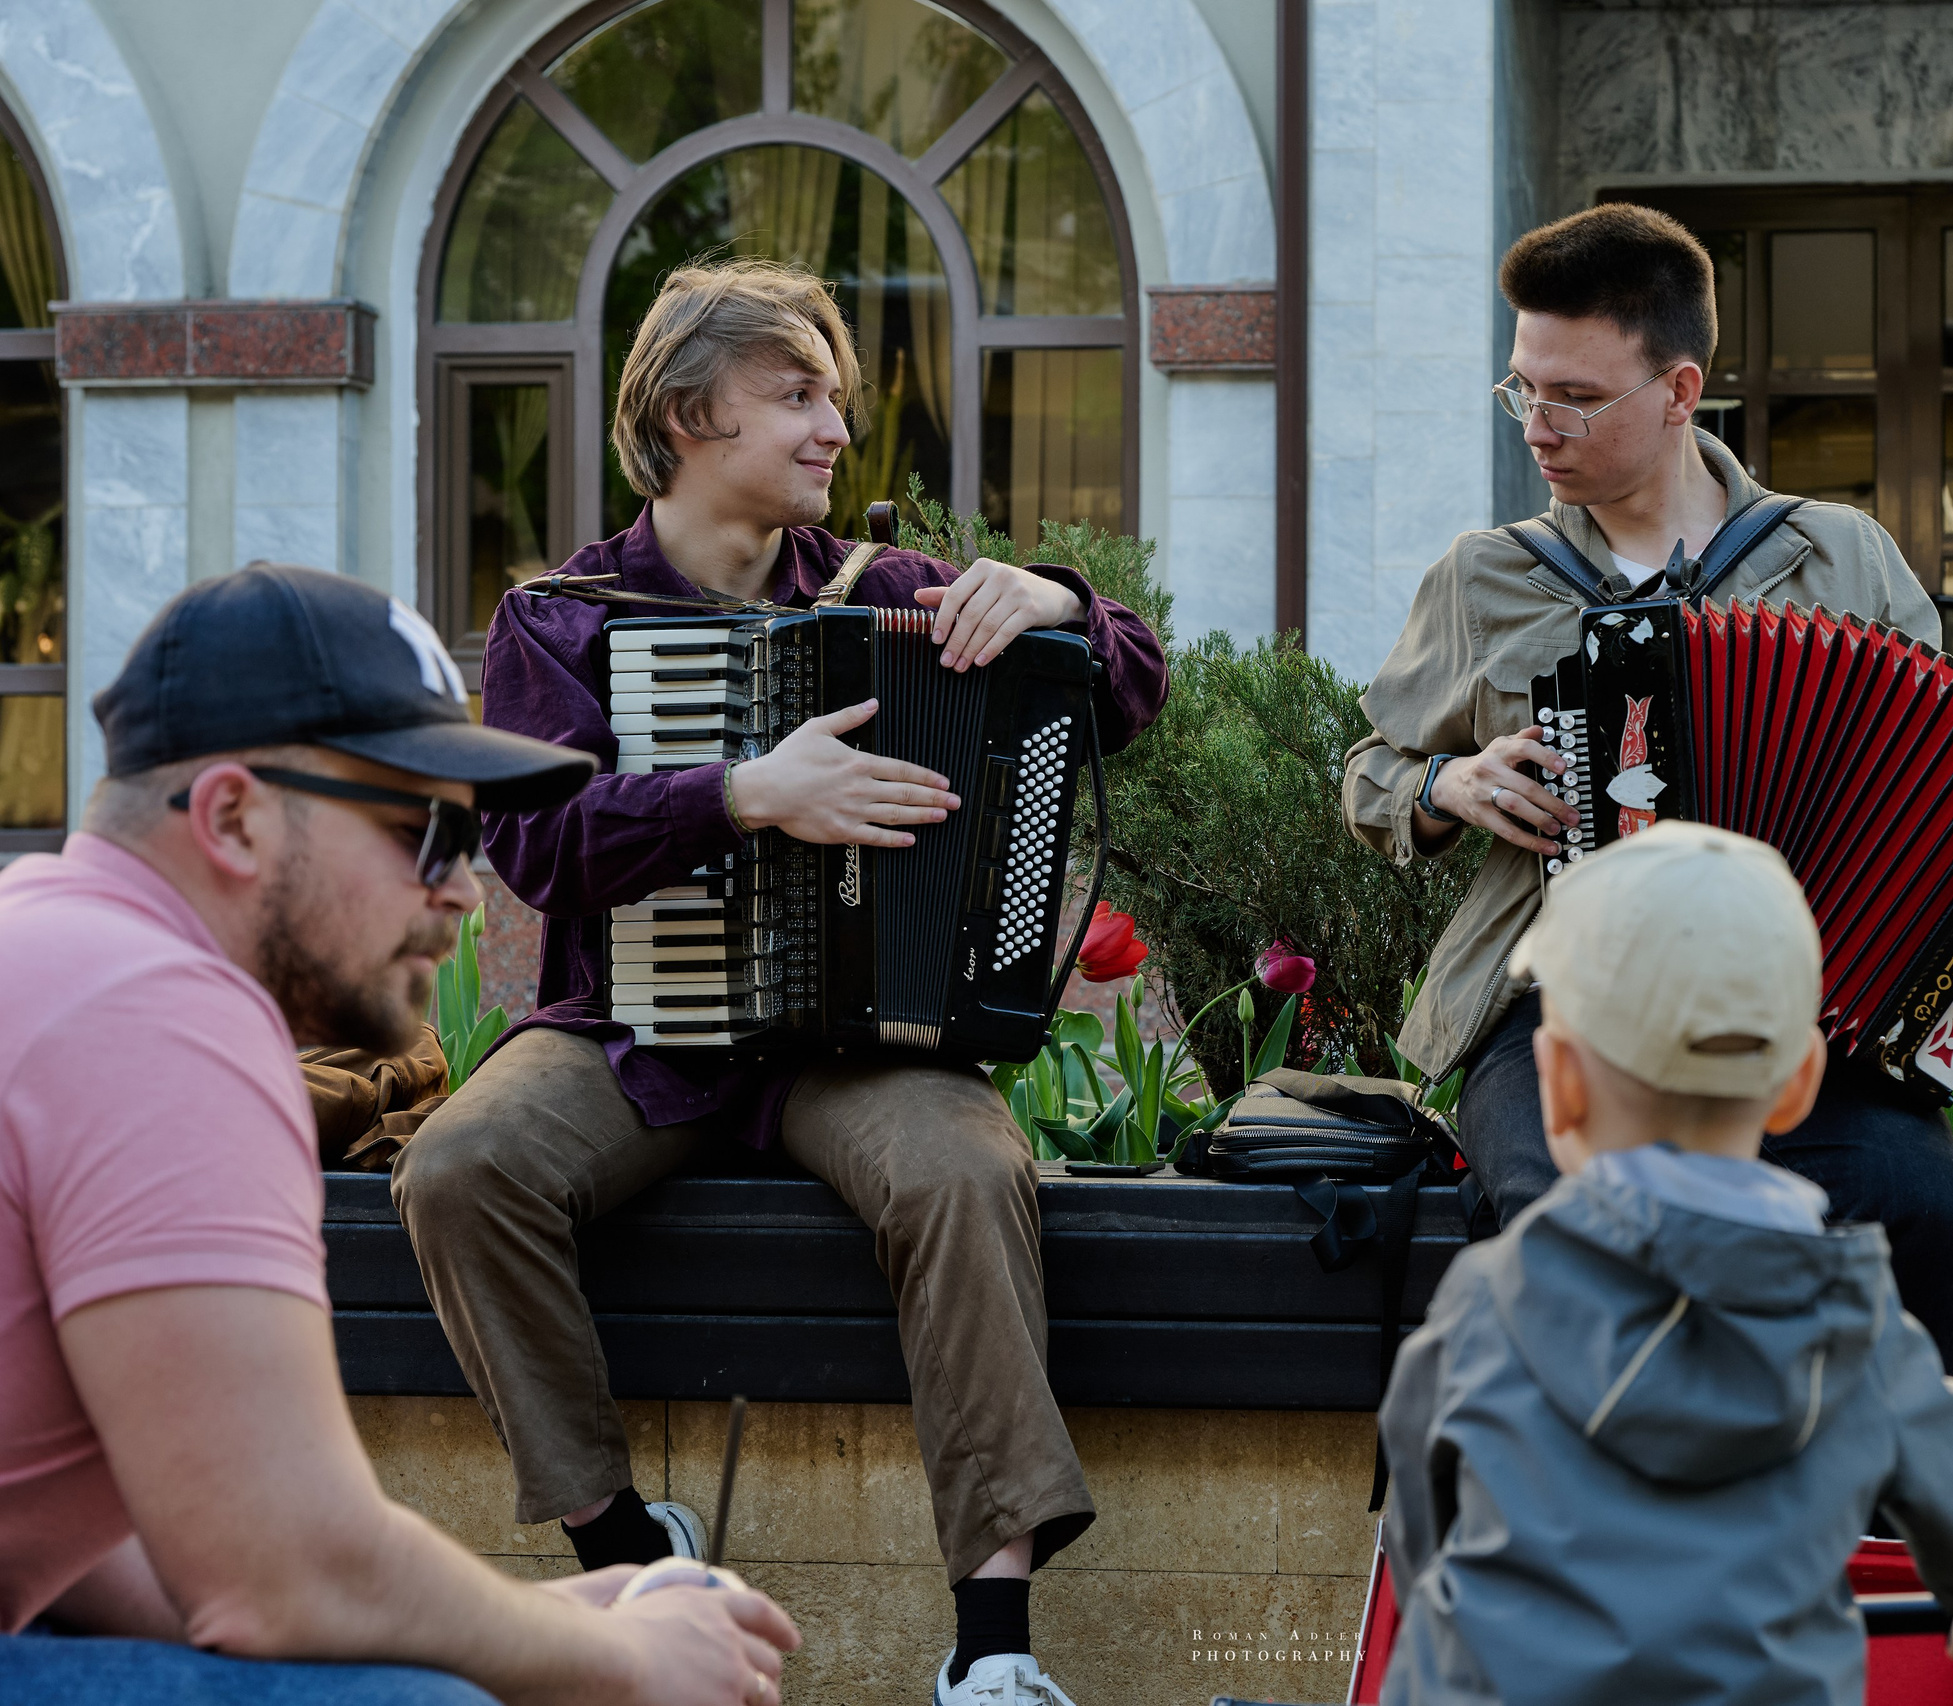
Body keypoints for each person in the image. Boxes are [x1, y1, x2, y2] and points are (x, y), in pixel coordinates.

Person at [394, 260, 1167, 1706]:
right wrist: (740, 791)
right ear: (691, 414)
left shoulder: (899, 595)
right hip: (639, 1034)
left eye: (833, 400)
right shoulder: (563, 619)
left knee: (960, 1168)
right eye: (795, 395)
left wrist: (1058, 597)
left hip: (863, 1045)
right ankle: (625, 1544)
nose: (832, 429)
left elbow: (1126, 681)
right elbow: (537, 846)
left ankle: (991, 1654)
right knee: (460, 1167)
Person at [0, 564, 802, 1704]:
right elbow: (281, 1571)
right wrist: (621, 1656)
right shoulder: (155, 1011)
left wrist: (518, 1621)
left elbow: (145, 1562)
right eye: (423, 830)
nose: (468, 892)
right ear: (234, 814)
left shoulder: (58, 947)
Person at [1342, 204, 1953, 1375]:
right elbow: (1372, 771)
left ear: (1680, 390)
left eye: (1575, 397)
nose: (1537, 426)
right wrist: (1450, 779)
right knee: (1564, 1230)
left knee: (1919, 1210)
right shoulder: (1486, 578)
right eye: (1521, 390)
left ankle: (1873, 1536)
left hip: (1801, 1006)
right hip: (1561, 1006)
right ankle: (1591, 1540)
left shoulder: (1838, 556)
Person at [1375, 822, 1953, 1704]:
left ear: (1558, 1087)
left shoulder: (1484, 1310)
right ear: (1801, 1081)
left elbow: (1421, 1534)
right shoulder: (1858, 1337)